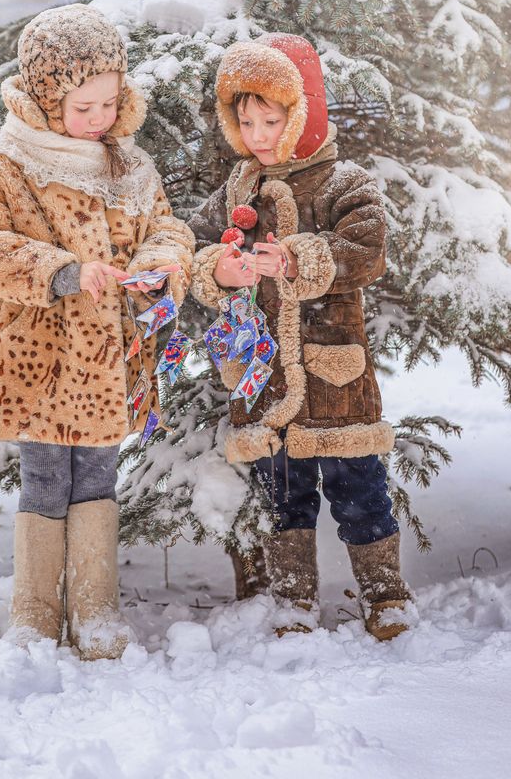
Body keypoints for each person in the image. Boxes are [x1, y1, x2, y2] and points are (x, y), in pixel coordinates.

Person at [0, 4, 194, 658]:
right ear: (42, 97)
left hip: (106, 359)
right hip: (39, 357)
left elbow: (168, 228)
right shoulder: (3, 167)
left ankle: (94, 605)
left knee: (95, 478)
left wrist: (157, 263)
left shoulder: (130, 168)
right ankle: (34, 609)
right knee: (45, 481)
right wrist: (59, 271)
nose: (98, 120)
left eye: (108, 104)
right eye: (81, 107)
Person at [189, 34, 414, 641]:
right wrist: (219, 268)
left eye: (272, 120)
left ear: (303, 114)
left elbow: (367, 252)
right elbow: (195, 244)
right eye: (246, 121)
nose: (259, 134)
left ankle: (386, 596)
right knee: (284, 499)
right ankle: (292, 601)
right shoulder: (239, 189)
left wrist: (295, 260)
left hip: (331, 373)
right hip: (265, 380)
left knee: (359, 492)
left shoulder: (345, 181)